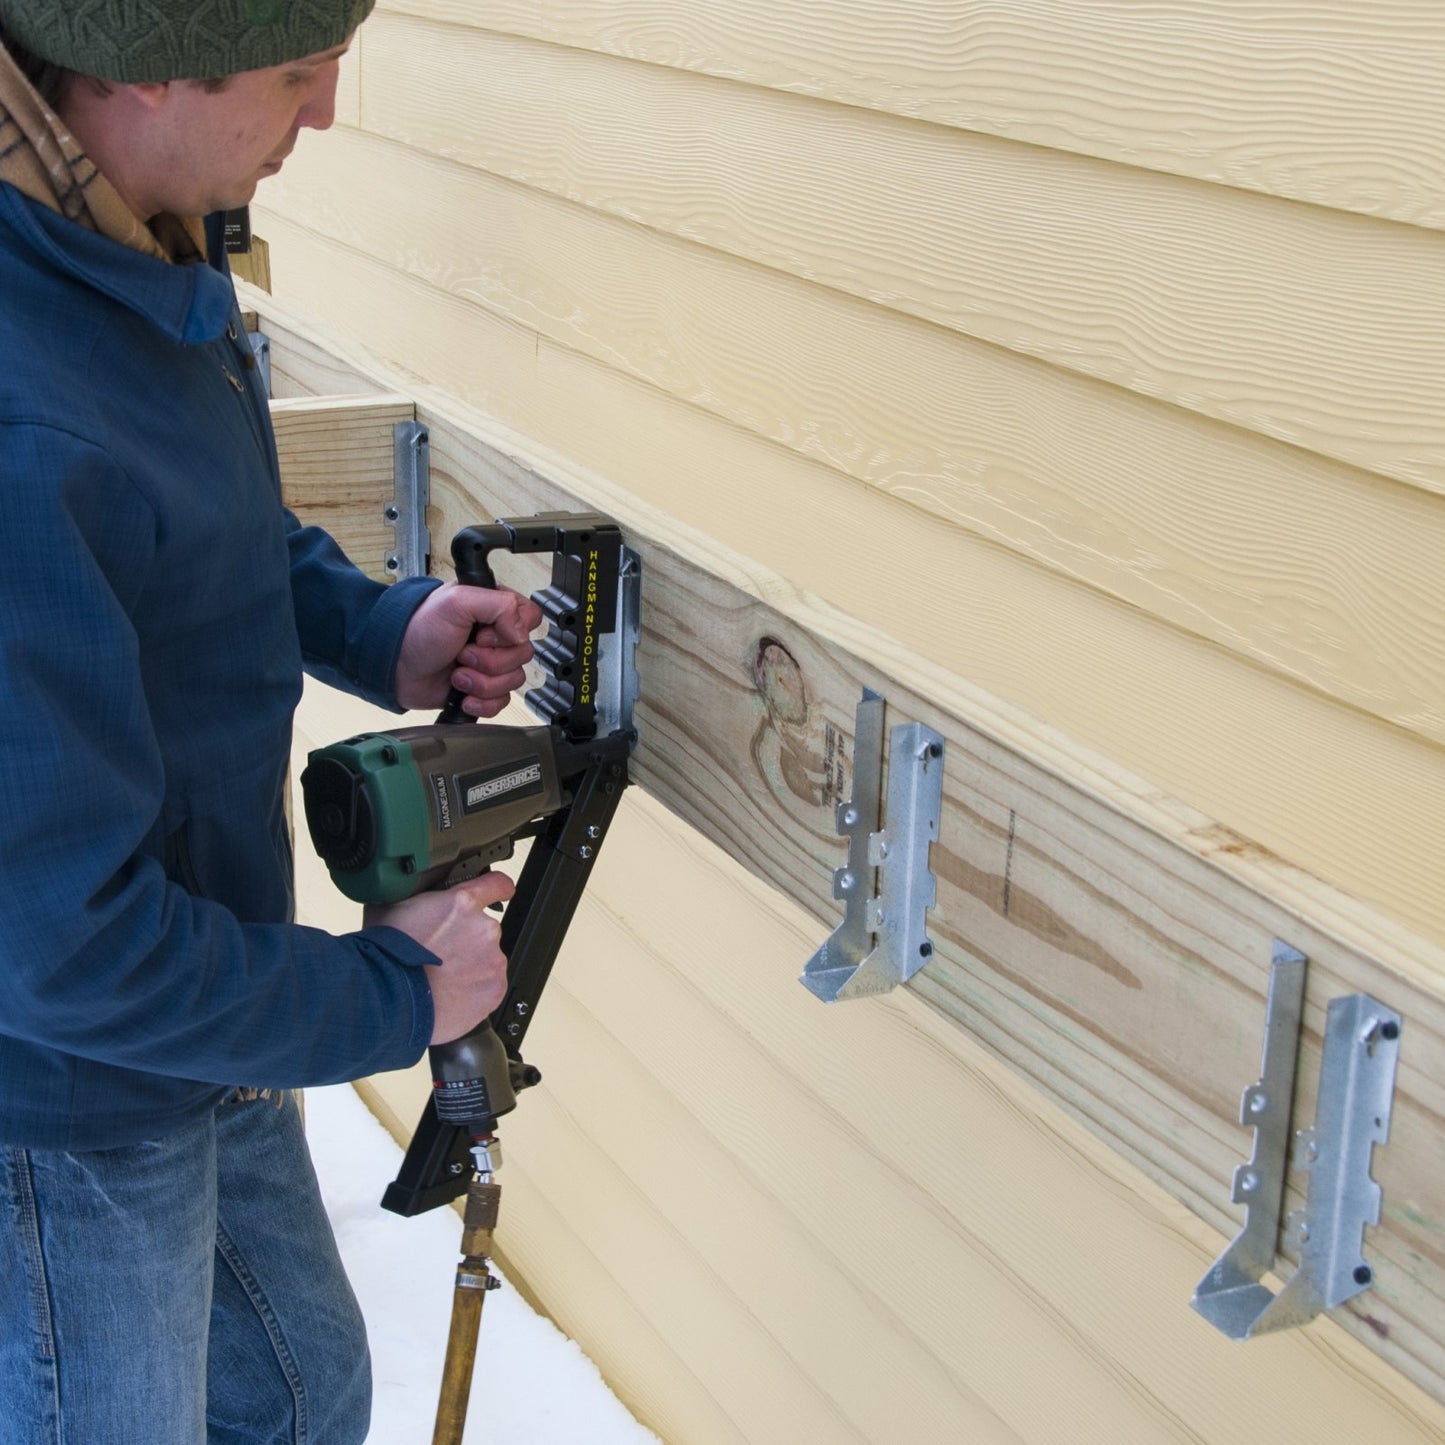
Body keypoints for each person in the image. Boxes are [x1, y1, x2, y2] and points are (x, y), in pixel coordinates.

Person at [0, 3, 545, 1440]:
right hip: (60, 1108)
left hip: (199, 1009)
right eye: (302, 77)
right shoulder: (17, 408)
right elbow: (59, 945)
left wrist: (379, 626)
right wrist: (387, 997)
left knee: (295, 1396)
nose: (322, 118)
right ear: (163, 66)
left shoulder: (115, 236)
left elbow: (176, 525)